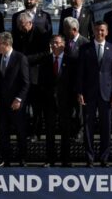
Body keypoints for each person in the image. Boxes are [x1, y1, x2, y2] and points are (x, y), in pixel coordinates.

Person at [77, 21, 112, 167]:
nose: (99, 33)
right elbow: (80, 73)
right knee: (88, 126)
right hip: (89, 93)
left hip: (107, 94)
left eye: (102, 30)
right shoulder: (85, 49)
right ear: (93, 32)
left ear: (106, 32)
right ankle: (89, 157)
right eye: (97, 30)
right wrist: (80, 92)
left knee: (106, 127)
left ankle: (104, 157)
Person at [0, 32, 29, 167]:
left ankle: (22, 159)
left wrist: (18, 99)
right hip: (2, 103)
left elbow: (25, 82)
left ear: (6, 44)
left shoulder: (20, 58)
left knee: (20, 132)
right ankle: (5, 159)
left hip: (16, 103)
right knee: (3, 132)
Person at [38, 35, 77, 167]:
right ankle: (50, 159)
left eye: (58, 43)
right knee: (50, 133)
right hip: (48, 102)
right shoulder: (45, 61)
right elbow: (41, 82)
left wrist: (72, 101)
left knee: (65, 132)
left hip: (65, 102)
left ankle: (66, 159)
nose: (55, 45)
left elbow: (73, 83)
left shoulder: (71, 61)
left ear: (63, 45)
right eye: (53, 43)